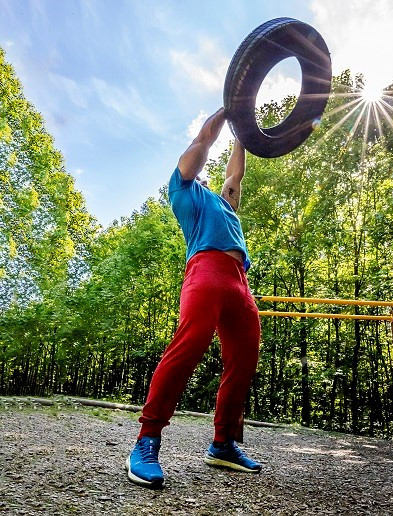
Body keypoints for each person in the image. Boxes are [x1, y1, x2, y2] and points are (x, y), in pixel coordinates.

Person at [126, 107, 262, 489]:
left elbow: (236, 174)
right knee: (187, 348)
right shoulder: (182, 192)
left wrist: (243, 133)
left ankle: (223, 444)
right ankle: (146, 442)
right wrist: (228, 108)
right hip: (205, 272)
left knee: (244, 359)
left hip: (239, 281)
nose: (202, 171)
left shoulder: (224, 203)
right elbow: (203, 143)